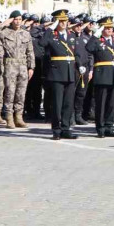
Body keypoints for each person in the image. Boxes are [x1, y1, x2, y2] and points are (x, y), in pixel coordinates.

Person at [38, 10, 79, 140]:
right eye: (60, 21)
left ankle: (66, 129)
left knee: (68, 103)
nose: (63, 23)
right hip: (56, 73)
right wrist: (50, 28)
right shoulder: (51, 35)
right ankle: (56, 130)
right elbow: (42, 43)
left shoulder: (71, 36)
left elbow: (77, 53)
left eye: (65, 21)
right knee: (57, 103)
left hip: (70, 73)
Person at [86, 17, 114, 138]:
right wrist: (95, 35)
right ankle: (100, 128)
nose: (109, 30)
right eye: (106, 28)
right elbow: (88, 48)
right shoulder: (98, 42)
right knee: (101, 103)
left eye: (110, 28)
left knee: (112, 104)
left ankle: (109, 127)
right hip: (102, 75)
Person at [0, 11, 35, 129]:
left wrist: (31, 67)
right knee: (10, 91)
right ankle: (9, 117)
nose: (18, 21)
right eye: (15, 19)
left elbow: (30, 51)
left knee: (21, 92)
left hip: (23, 66)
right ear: (11, 20)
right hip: (10, 65)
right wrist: (4, 23)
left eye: (19, 19)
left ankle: (19, 116)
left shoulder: (25, 34)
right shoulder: (4, 32)